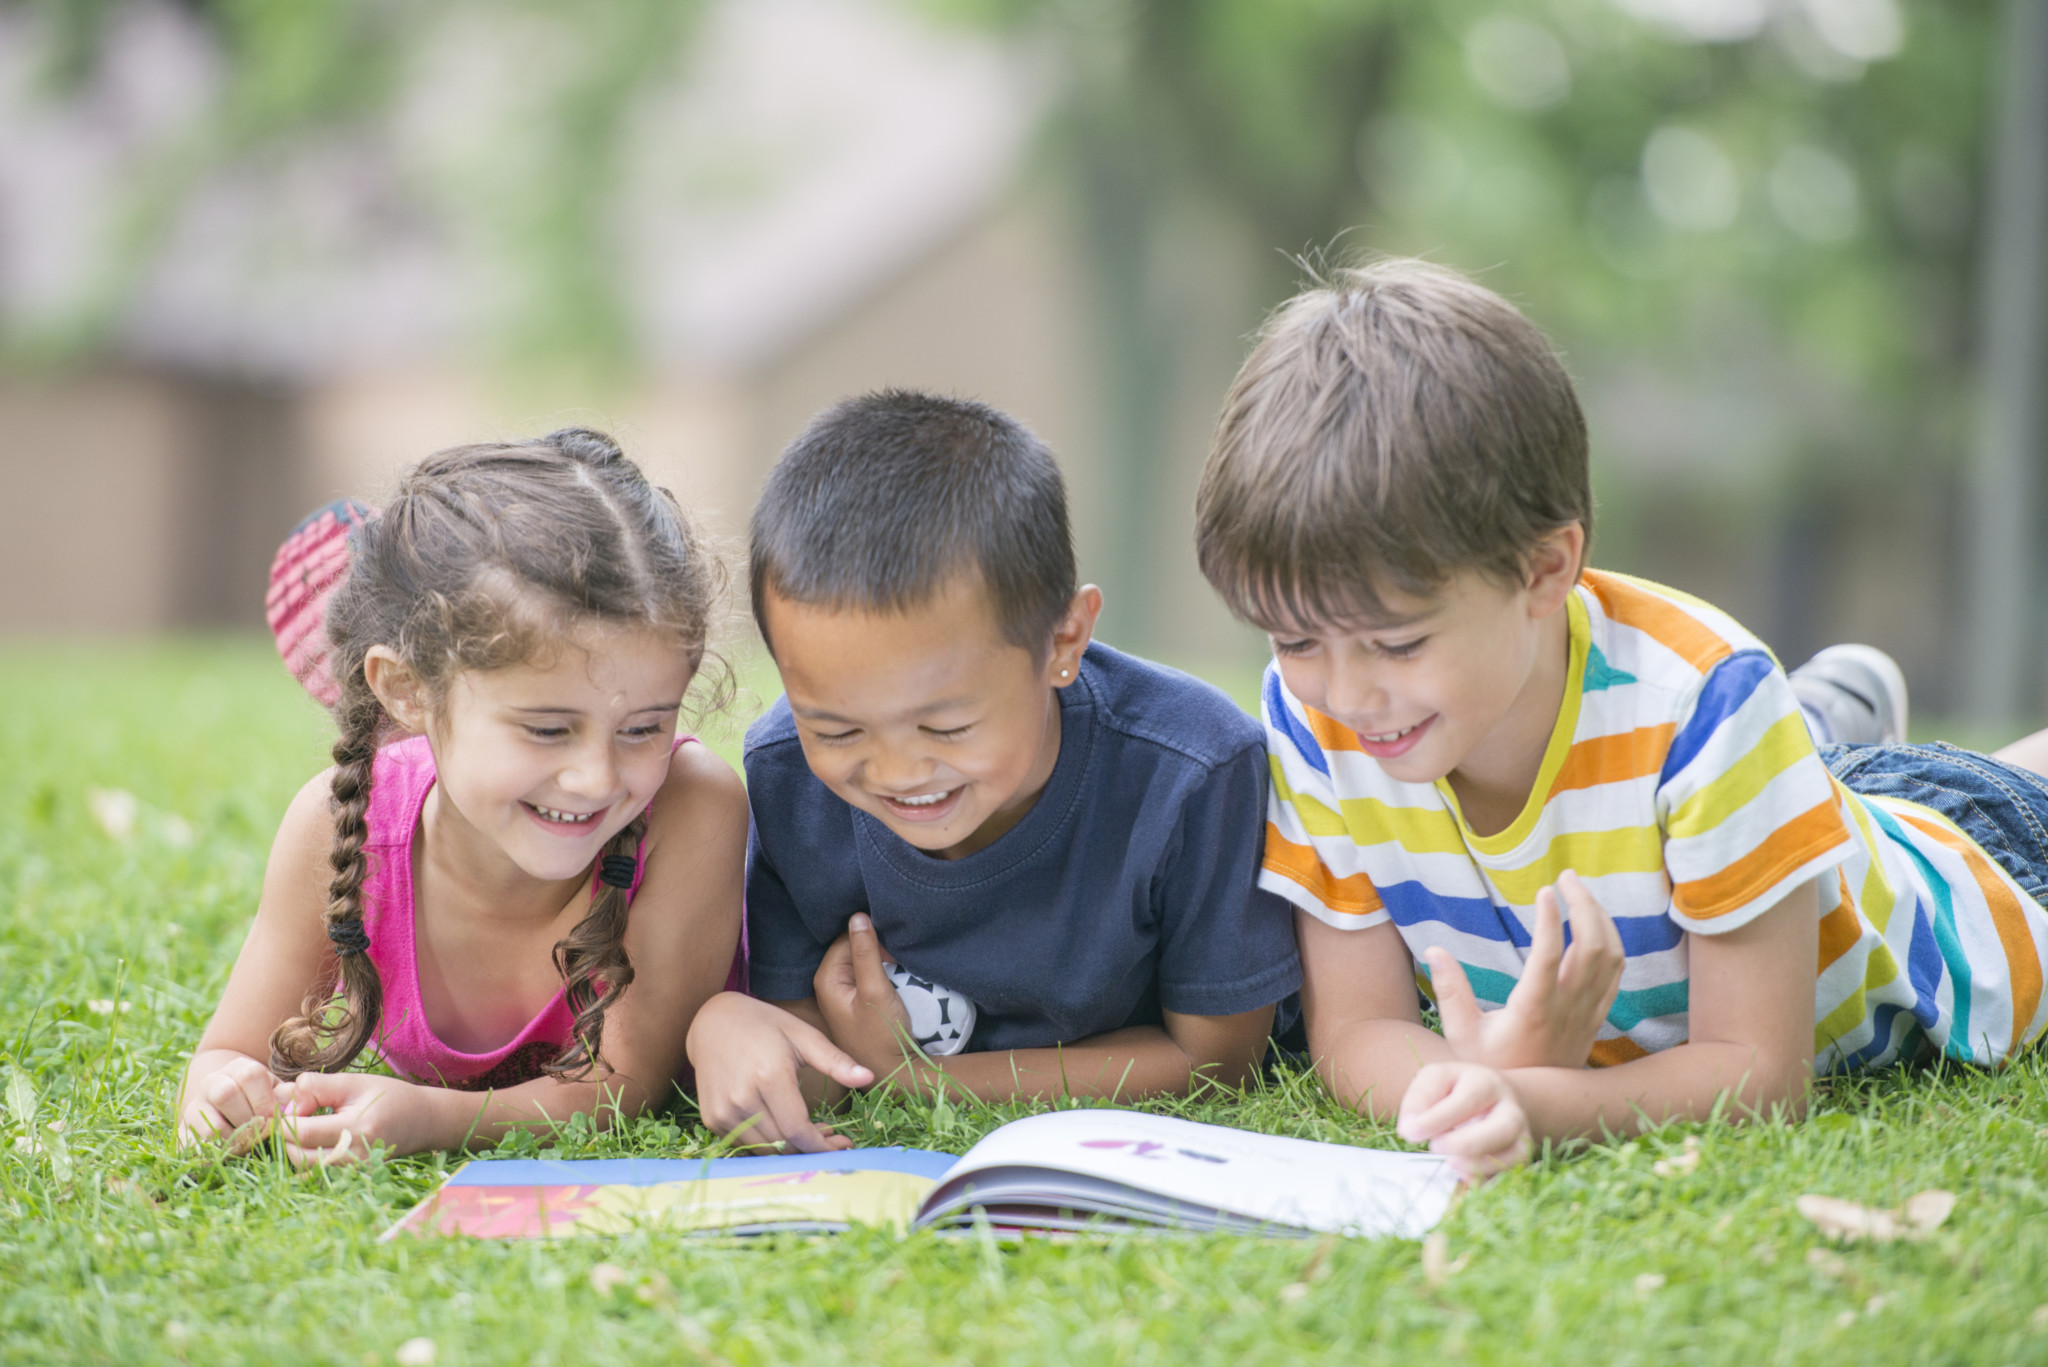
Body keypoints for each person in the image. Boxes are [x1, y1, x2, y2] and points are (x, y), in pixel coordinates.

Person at [1192, 259, 2048, 1179]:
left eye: (1397, 646)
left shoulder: (1706, 706)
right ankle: (1819, 732)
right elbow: (1360, 1027)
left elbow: (1761, 1076)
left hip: (1959, 864)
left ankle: (1820, 738)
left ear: (1545, 569)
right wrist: (1473, 1088)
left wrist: (1531, 1102)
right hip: (1740, 804)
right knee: (1769, 774)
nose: (1348, 695)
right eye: (1293, 639)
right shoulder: (1312, 711)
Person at [686, 390, 1303, 1151]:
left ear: (1063, 641)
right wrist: (733, 1030)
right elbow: (812, 1040)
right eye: (837, 726)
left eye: (947, 725)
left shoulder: (1192, 772)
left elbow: (1216, 1060)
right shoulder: (788, 773)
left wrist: (916, 1079)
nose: (897, 768)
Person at [177, 430, 751, 1164]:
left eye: (643, 726)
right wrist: (221, 1096)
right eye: (547, 728)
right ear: (407, 690)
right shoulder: (334, 829)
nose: (598, 777)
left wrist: (431, 1117)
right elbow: (225, 1053)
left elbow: (620, 1086)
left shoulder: (690, 809)